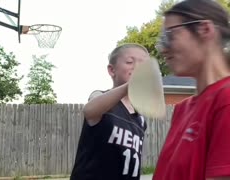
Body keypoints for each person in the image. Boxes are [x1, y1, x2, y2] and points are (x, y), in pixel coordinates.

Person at [153, 0, 230, 180]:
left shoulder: (226, 100)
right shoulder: (182, 109)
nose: (164, 49)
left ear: (205, 30)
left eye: (170, 36)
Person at [70, 43, 150, 180]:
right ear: (112, 70)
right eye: (130, 62)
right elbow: (89, 110)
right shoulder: (100, 98)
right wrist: (128, 86)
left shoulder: (140, 119)